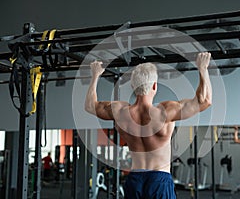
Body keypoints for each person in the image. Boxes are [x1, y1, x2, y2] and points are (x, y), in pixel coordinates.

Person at [85, 52, 212, 199]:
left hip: (135, 180)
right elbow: (205, 101)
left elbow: (89, 106)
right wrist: (203, 69)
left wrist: (95, 76)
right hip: (159, 180)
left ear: (133, 86)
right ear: (155, 86)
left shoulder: (120, 112)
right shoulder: (164, 112)